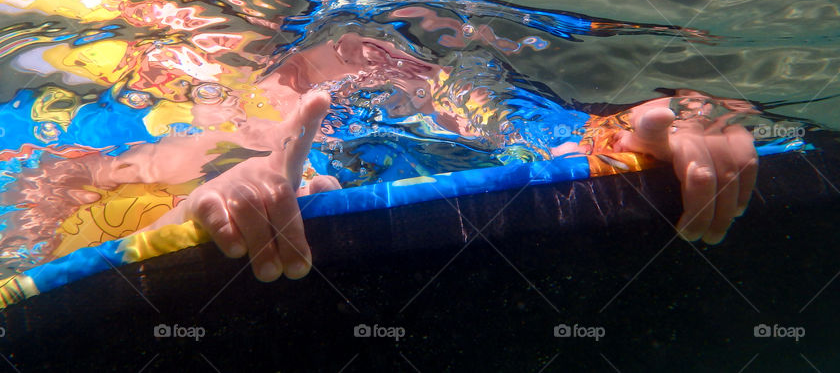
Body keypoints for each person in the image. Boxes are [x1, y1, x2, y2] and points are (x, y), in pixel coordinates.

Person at [53, 33, 757, 282]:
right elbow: (28, 283)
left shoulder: (454, 121)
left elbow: (560, 155)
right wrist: (184, 224)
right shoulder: (96, 168)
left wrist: (648, 137)